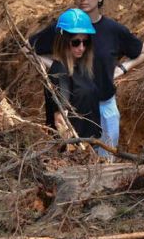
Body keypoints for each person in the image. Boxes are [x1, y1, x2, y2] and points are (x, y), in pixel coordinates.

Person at [29, 0, 144, 151]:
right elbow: (28, 48)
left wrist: (122, 68)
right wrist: (58, 67)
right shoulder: (65, 26)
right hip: (75, 110)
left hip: (105, 107)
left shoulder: (113, 30)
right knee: (77, 161)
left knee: (107, 165)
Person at [44, 9, 102, 141]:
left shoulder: (83, 67)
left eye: (85, 42)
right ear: (64, 41)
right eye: (76, 42)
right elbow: (60, 120)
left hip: (91, 142)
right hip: (76, 148)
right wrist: (74, 150)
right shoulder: (59, 71)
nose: (81, 47)